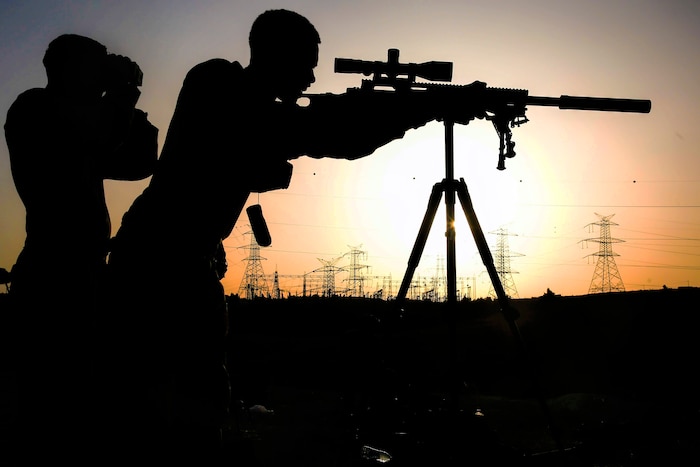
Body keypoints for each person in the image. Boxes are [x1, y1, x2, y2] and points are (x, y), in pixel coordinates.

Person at [105, 8, 484, 463]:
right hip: (157, 260)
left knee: (191, 391)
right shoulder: (218, 84)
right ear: (274, 54)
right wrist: (420, 110)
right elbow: (319, 131)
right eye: (304, 63)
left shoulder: (248, 102)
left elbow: (320, 130)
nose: (309, 76)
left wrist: (410, 109)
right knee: (153, 395)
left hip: (182, 257)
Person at [4, 34, 159, 464]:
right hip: (51, 273)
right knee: (49, 403)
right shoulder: (35, 107)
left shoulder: (87, 128)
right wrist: (121, 95)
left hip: (84, 273)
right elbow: (102, 134)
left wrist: (131, 100)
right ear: (67, 68)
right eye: (97, 65)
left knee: (81, 397)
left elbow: (139, 163)